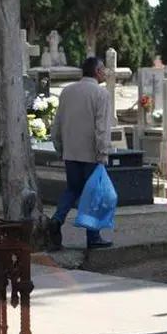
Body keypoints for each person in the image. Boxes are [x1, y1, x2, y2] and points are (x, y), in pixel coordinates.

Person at [48, 56, 114, 250]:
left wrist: (60, 148)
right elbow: (101, 127)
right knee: (94, 194)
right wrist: (103, 153)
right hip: (92, 154)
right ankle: (92, 237)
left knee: (72, 189)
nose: (105, 73)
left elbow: (57, 124)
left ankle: (57, 219)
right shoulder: (101, 94)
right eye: (103, 69)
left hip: (71, 152)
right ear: (97, 71)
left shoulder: (67, 92)